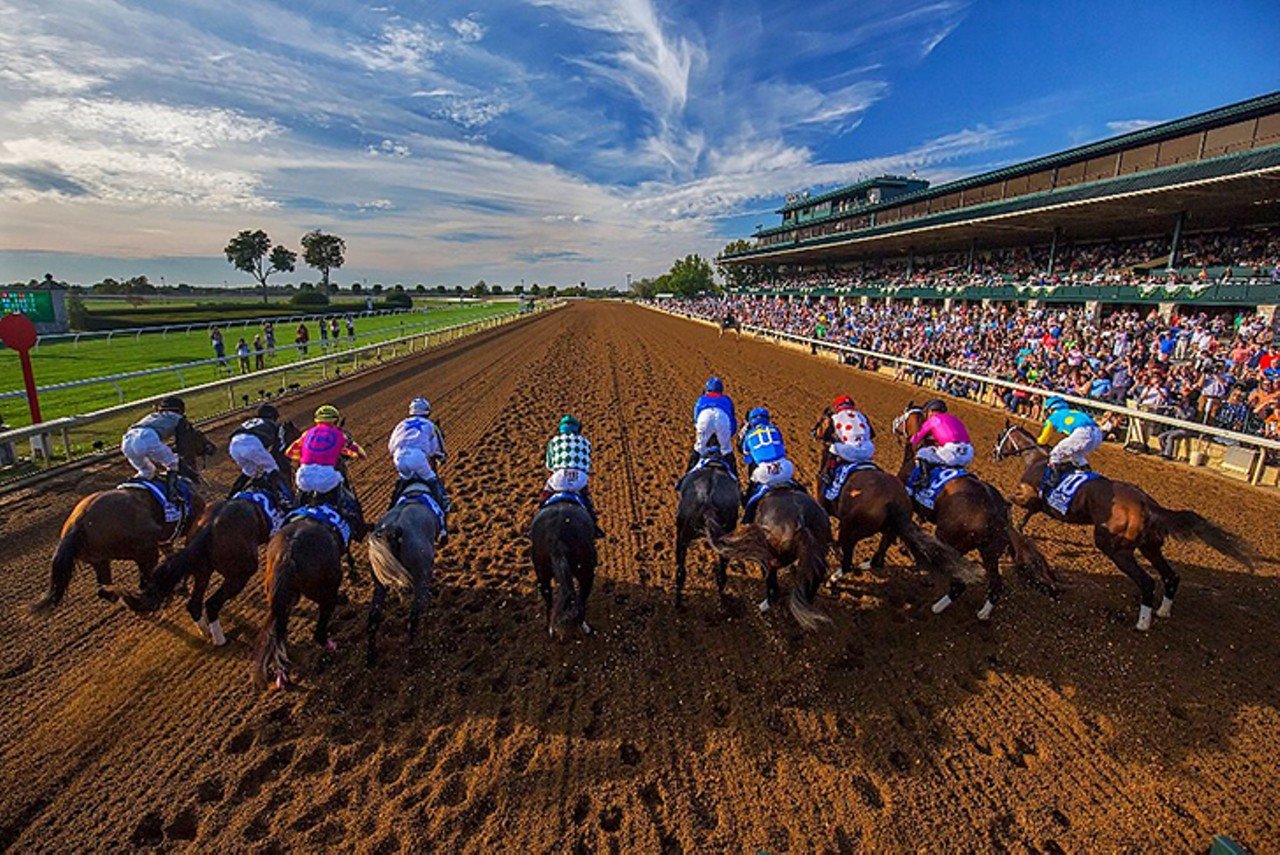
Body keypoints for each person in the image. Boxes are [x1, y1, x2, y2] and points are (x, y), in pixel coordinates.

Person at [285, 405, 366, 529]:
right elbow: (360, 454)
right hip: (327, 478)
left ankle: (292, 510)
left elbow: (289, 453)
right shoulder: (340, 434)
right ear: (335, 421)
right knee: (347, 493)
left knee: (298, 496)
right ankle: (358, 524)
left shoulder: (306, 433)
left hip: (304, 478)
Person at [387, 398, 451, 539]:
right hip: (418, 458)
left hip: (399, 458)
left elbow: (391, 446)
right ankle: (443, 523)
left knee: (402, 482)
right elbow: (438, 449)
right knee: (434, 482)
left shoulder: (401, 424)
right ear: (427, 412)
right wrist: (441, 458)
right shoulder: (430, 425)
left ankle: (390, 510)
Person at [541, 414, 603, 538]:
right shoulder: (585, 442)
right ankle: (594, 525)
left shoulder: (553, 441)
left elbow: (549, 465)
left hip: (559, 477)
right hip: (579, 478)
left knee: (545, 494)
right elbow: (587, 463)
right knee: (586, 498)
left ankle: (539, 514)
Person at [121, 396, 194, 499]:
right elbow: (182, 444)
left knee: (147, 471)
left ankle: (128, 488)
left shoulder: (152, 416)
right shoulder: (179, 418)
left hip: (127, 440)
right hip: (147, 437)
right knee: (173, 464)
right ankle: (173, 496)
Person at [739, 407, 795, 523]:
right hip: (785, 468)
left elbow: (746, 455)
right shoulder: (775, 429)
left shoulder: (749, 434)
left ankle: (747, 519)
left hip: (764, 472)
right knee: (798, 486)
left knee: (752, 486)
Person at [227, 404, 292, 505]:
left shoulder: (250, 422)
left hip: (233, 446)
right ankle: (285, 498)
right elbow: (278, 449)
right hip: (251, 443)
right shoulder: (272, 425)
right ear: (272, 416)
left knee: (250, 471)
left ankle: (231, 494)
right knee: (273, 469)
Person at [1037, 395, 1104, 493]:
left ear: (1051, 409)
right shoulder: (1073, 412)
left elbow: (1043, 440)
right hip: (1098, 434)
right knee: (1076, 455)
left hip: (1082, 432)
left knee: (1056, 453)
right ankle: (1086, 473)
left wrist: (1038, 441)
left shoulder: (1053, 417)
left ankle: (1053, 481)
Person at [907, 399, 974, 487]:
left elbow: (917, 438)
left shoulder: (933, 420)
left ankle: (924, 478)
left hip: (951, 452)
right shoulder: (955, 419)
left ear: (930, 411)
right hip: (968, 453)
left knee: (922, 453)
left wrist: (910, 440)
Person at [688, 376, 737, 476]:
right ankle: (736, 479)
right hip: (722, 419)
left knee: (699, 448)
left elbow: (696, 420)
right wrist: (727, 437)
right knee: (727, 451)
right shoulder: (727, 400)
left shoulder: (701, 400)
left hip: (704, 418)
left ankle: (687, 476)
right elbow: (732, 422)